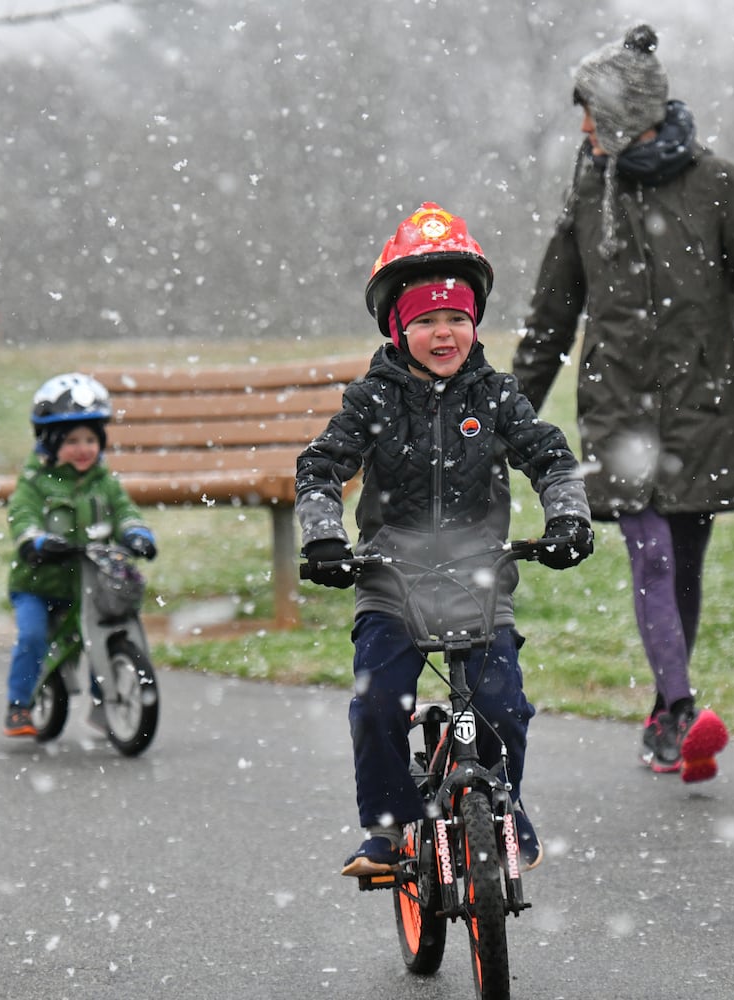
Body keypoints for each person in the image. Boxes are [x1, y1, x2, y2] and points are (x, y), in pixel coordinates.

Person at [512, 25, 734, 781]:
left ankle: (665, 717)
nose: (579, 128)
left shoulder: (715, 183)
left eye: (588, 112)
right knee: (651, 556)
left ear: (627, 113)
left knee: (685, 567)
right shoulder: (585, 189)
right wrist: (502, 418)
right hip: (618, 412)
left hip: (707, 408)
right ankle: (679, 706)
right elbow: (549, 321)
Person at [296, 202, 595, 877]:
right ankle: (388, 828)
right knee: (379, 703)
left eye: (457, 317)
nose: (444, 332)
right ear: (399, 327)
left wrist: (568, 520)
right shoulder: (372, 400)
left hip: (478, 576)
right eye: (426, 319)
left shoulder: (495, 397)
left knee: (502, 707)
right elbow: (320, 468)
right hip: (389, 577)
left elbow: (550, 458)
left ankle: (505, 803)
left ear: (475, 324)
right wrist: (324, 538)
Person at [1, 372, 157, 737]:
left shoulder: (103, 481)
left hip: (89, 584)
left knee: (106, 630)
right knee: (33, 635)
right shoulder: (35, 482)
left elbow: (124, 510)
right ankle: (19, 704)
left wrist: (137, 533)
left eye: (90, 439)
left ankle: (106, 703)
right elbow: (21, 514)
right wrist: (35, 541)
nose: (84, 448)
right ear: (50, 443)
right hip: (38, 583)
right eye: (72, 440)